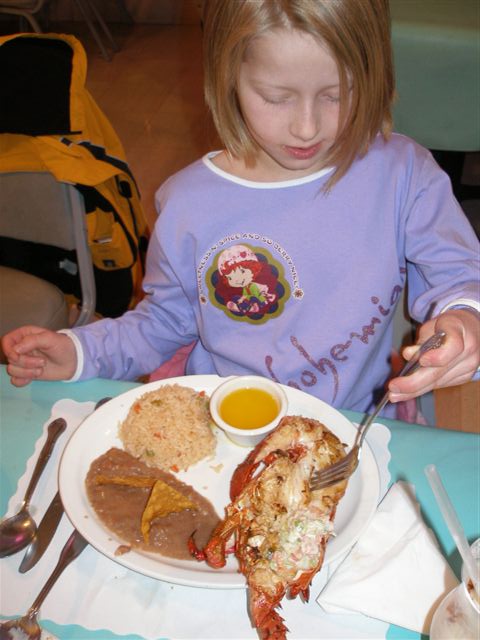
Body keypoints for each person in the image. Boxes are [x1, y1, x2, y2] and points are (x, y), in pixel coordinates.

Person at [2, 0, 479, 417]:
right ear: (228, 76)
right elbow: (164, 322)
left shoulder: (404, 174)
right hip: (224, 424)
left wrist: (465, 319)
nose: (307, 127)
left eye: (338, 94)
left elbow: (458, 277)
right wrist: (80, 352)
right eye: (276, 98)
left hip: (357, 423)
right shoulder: (188, 203)